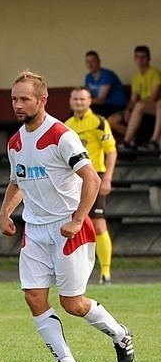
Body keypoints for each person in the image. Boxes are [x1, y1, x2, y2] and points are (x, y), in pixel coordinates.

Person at [0, 70, 134, 362]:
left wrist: (77, 219)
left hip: (68, 228)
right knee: (33, 297)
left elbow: (91, 180)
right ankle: (66, 361)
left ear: (42, 100)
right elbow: (16, 182)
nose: (17, 105)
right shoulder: (15, 143)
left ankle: (121, 335)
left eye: (24, 99)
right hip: (34, 230)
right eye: (13, 99)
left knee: (73, 304)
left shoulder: (61, 136)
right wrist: (5, 212)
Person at [65, 87, 117, 285]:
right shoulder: (66, 125)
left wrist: (107, 178)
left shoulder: (99, 122)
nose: (79, 102)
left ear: (90, 101)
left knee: (97, 223)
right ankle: (74, 271)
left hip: (95, 176)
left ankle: (105, 272)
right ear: (70, 101)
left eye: (82, 99)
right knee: (72, 224)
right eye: (75, 99)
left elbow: (111, 151)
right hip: (73, 179)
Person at [111, 45, 161, 150]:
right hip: (140, 107)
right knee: (112, 120)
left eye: (143, 57)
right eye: (138, 57)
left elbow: (153, 98)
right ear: (135, 59)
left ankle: (127, 141)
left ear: (149, 59)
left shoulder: (155, 73)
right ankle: (134, 141)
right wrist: (129, 110)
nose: (140, 60)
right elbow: (133, 99)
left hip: (154, 106)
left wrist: (136, 107)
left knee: (140, 105)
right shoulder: (136, 77)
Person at [83, 51, 128, 118]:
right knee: (78, 110)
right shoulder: (88, 77)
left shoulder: (107, 75)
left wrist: (82, 102)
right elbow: (87, 95)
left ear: (99, 61)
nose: (90, 64)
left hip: (117, 106)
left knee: (89, 111)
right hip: (103, 106)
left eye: (93, 61)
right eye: (87, 62)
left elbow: (101, 100)